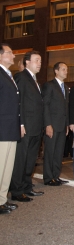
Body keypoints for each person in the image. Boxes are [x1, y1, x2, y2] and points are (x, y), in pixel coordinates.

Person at [10, 51, 44, 203]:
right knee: (21, 159)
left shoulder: (35, 80)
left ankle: (26, 187)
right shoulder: (21, 77)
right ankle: (17, 191)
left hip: (36, 127)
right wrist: (21, 123)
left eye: (40, 61)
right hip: (26, 126)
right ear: (27, 62)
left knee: (30, 160)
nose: (39, 63)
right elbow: (19, 102)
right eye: (36, 60)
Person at [0, 43, 20, 214]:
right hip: (2, 128)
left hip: (11, 128)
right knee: (0, 167)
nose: (13, 56)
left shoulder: (9, 75)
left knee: (7, 167)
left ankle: (2, 200)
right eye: (10, 53)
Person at [42, 62, 69, 186]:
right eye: (63, 69)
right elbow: (45, 105)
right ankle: (48, 178)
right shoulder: (49, 85)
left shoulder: (66, 88)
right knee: (50, 151)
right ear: (56, 71)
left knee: (58, 152)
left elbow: (66, 108)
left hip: (62, 125)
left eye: (66, 69)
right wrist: (48, 124)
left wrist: (67, 124)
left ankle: (56, 176)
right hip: (52, 125)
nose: (66, 71)